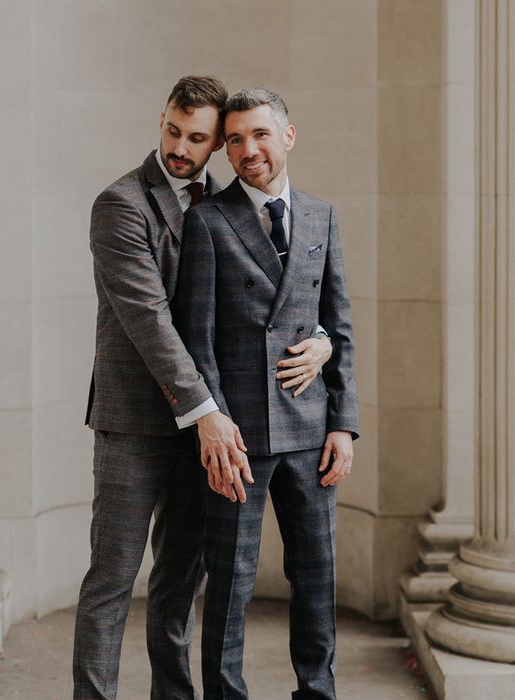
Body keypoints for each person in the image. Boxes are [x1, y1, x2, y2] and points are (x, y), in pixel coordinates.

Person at [74, 76, 333, 700]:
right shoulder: (121, 204)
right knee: (113, 579)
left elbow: (272, 299)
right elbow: (151, 322)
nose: (180, 148)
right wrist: (207, 411)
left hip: (209, 431)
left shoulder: (224, 205)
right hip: (139, 420)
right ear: (160, 119)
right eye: (172, 130)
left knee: (179, 580)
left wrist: (321, 337)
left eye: (197, 138)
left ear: (218, 143)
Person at [174, 87, 359, 700]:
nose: (246, 149)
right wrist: (217, 430)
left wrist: (344, 424)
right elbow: (196, 340)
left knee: (316, 577)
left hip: (312, 433)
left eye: (258, 134)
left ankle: (318, 691)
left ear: (288, 135)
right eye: (233, 140)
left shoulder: (319, 215)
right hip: (241, 440)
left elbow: (340, 323)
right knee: (230, 583)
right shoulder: (207, 220)